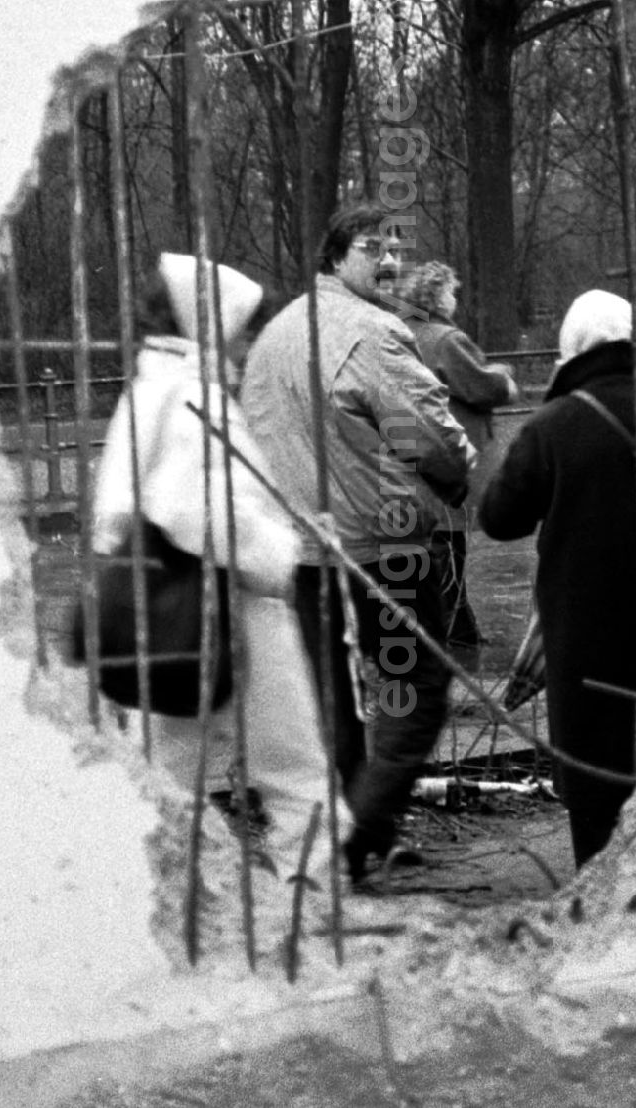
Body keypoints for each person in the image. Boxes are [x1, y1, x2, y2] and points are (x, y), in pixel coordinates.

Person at [89, 252, 340, 897]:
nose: (246, 339)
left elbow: (118, 511)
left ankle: (181, 910)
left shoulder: (145, 392)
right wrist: (277, 552)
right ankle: (309, 919)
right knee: (298, 778)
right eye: (240, 325)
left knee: (168, 783)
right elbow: (196, 509)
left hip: (162, 615)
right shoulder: (190, 397)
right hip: (232, 611)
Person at [241, 203, 476, 884]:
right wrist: (458, 477)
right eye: (374, 248)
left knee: (333, 705)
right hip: (382, 549)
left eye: (398, 248)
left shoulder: (273, 338)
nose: (392, 262)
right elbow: (432, 437)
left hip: (298, 553)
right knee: (415, 691)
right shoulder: (372, 333)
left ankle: (352, 838)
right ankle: (359, 833)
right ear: (335, 257)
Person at [478, 289, 636, 869]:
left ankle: (604, 930)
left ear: (569, 355)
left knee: (597, 802)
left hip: (583, 644)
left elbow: (499, 518)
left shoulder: (553, 425)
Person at [397, 260, 518, 655]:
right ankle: (453, 632)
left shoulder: (400, 333)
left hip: (410, 455)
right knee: (449, 540)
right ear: (435, 296)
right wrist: (503, 377)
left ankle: (458, 623)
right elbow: (481, 387)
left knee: (434, 541)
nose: (455, 299)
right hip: (449, 453)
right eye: (451, 291)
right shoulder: (446, 340)